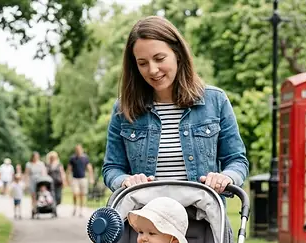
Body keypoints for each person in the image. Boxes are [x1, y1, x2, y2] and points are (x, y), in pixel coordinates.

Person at [101, 16, 249, 194]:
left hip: (203, 217)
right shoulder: (123, 109)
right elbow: (112, 168)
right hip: (145, 217)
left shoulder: (215, 100)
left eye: (159, 58)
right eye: (143, 63)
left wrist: (226, 177)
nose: (153, 70)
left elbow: (237, 161)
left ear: (177, 54)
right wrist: (125, 180)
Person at [67, 144, 94, 217]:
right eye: (77, 149)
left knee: (82, 194)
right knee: (75, 193)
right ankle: (75, 207)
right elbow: (69, 169)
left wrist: (91, 178)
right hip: (75, 178)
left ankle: (81, 209)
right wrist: (68, 178)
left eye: (79, 149)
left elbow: (89, 168)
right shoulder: (72, 158)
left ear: (81, 149)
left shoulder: (85, 158)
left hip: (83, 178)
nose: (78, 151)